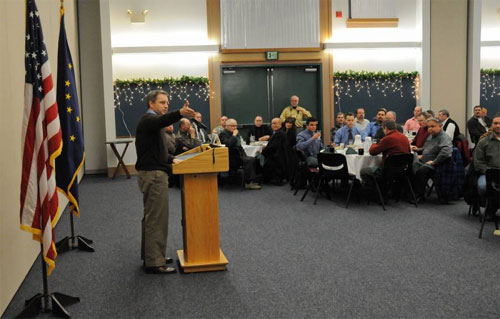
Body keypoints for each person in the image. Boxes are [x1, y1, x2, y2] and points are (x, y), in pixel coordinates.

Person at [135, 90, 196, 274]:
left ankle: (152, 255)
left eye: (167, 102)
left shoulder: (154, 123)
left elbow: (155, 150)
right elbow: (161, 121)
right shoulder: (149, 119)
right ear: (151, 104)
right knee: (156, 219)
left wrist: (170, 158)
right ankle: (154, 262)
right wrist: (179, 113)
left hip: (154, 172)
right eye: (162, 102)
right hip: (154, 176)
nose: (166, 105)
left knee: (152, 217)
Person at [413, 117, 453, 203]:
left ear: (440, 126)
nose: (430, 128)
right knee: (411, 165)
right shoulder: (431, 136)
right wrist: (419, 149)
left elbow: (446, 152)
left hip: (437, 164)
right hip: (425, 161)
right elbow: (427, 148)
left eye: (433, 126)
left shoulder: (444, 137)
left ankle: (420, 195)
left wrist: (434, 162)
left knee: (421, 171)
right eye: (429, 127)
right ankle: (411, 192)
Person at [360, 119, 411, 187]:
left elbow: (372, 152)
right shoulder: (404, 137)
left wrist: (374, 143)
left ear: (385, 128)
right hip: (403, 169)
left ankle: (375, 191)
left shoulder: (387, 138)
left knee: (364, 171)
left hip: (387, 170)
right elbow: (409, 152)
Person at [218, 119, 262, 190]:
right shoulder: (223, 134)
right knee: (249, 161)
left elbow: (239, 146)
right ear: (227, 126)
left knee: (254, 158)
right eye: (233, 126)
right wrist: (234, 135)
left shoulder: (234, 134)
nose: (235, 128)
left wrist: (244, 155)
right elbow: (228, 144)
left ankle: (254, 179)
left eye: (236, 126)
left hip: (239, 155)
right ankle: (248, 183)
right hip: (231, 157)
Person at [473, 114, 500, 220]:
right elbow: (478, 162)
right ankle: (490, 209)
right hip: (488, 173)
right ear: (491, 125)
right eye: (495, 123)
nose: (498, 125)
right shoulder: (484, 142)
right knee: (483, 187)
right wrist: (487, 171)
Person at [262, 118, 291, 184]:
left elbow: (272, 147)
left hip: (277, 158)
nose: (273, 125)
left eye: (275, 123)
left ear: (280, 124)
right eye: (272, 123)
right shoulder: (278, 132)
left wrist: (263, 151)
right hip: (279, 156)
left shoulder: (279, 133)